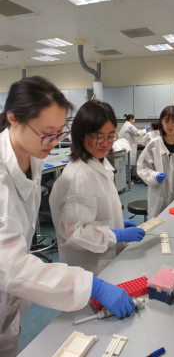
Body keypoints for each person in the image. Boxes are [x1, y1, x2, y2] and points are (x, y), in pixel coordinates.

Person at [0, 77, 135, 357]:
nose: (54, 142)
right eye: (47, 133)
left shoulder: (32, 156)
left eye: (60, 132)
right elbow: (11, 267)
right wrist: (89, 284)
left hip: (10, 300)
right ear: (13, 118)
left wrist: (116, 228)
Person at [49, 100, 146, 276]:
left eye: (110, 136)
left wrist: (115, 224)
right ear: (80, 135)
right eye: (98, 136)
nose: (106, 143)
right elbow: (72, 234)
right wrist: (116, 234)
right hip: (90, 270)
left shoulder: (100, 164)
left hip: (105, 262)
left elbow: (94, 212)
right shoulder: (79, 176)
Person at [119, 114, 150, 182]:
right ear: (131, 119)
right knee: (128, 164)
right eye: (134, 119)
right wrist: (145, 130)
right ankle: (127, 180)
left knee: (127, 164)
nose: (134, 120)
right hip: (127, 147)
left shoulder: (125, 125)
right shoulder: (129, 126)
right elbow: (137, 133)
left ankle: (126, 180)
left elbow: (135, 132)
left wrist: (142, 131)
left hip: (124, 147)